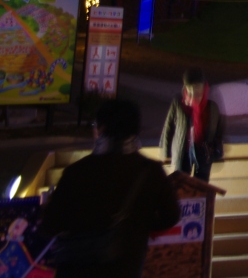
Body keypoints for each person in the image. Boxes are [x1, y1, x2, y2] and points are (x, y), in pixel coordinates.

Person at [42, 98, 180, 278]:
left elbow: (50, 224)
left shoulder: (76, 172)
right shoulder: (150, 172)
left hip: (76, 268)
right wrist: (138, 226)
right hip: (126, 266)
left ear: (102, 129)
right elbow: (171, 215)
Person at [159, 68, 225, 182]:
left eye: (197, 87)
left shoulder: (212, 105)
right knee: (182, 186)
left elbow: (219, 129)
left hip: (203, 154)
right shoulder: (178, 102)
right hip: (182, 151)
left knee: (201, 187)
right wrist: (166, 153)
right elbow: (168, 126)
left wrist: (217, 150)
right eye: (191, 88)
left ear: (203, 86)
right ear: (186, 87)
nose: (194, 92)